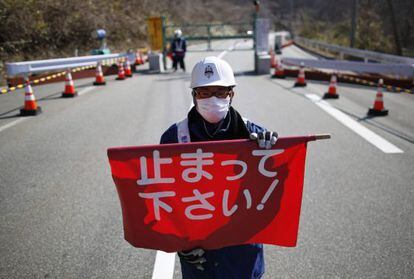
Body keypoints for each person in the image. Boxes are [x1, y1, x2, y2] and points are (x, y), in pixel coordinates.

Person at [160, 56, 278, 279]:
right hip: (198, 253)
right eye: (204, 93)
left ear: (231, 94)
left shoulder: (253, 134)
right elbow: (164, 197)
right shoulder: (174, 137)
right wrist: (179, 242)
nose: (213, 99)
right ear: (194, 95)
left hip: (242, 251)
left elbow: (273, 188)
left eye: (220, 92)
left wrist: (271, 153)